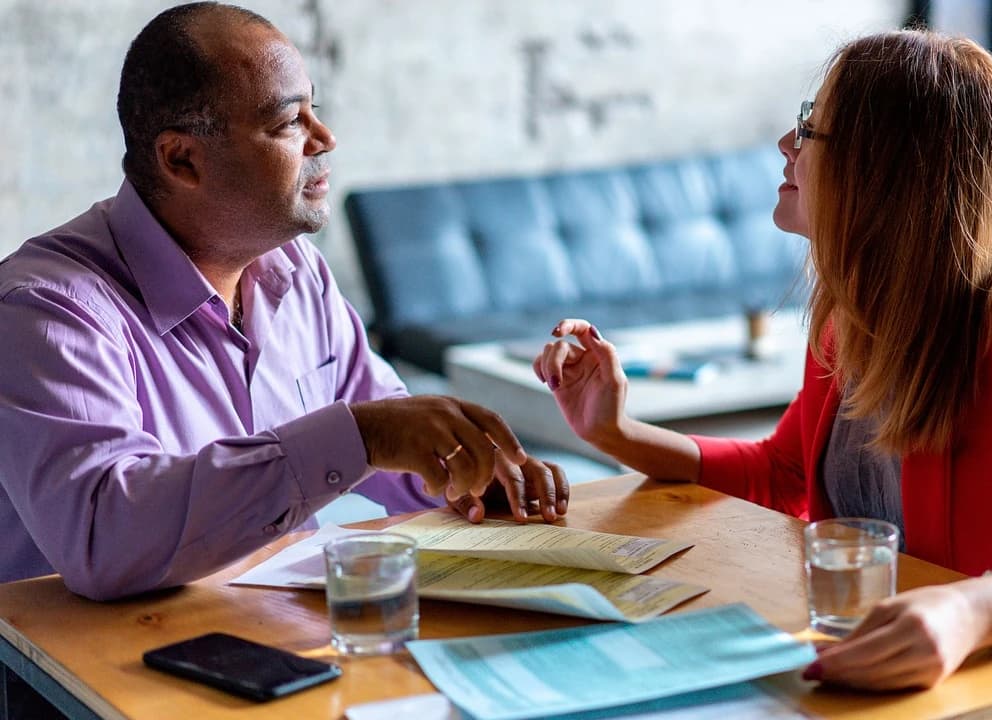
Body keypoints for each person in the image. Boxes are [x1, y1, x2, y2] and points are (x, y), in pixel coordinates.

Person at [533, 30, 992, 692]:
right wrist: (614, 433)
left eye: (811, 128)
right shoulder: (856, 312)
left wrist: (973, 607)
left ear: (888, 167)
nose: (787, 144)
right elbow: (783, 473)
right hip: (867, 675)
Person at [0, 2, 568, 603]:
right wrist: (361, 438)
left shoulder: (297, 274)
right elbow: (103, 536)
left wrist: (470, 474)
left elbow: (391, 434)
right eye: (287, 123)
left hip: (276, 633)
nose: (324, 138)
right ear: (182, 159)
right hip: (90, 677)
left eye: (313, 109)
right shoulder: (46, 311)